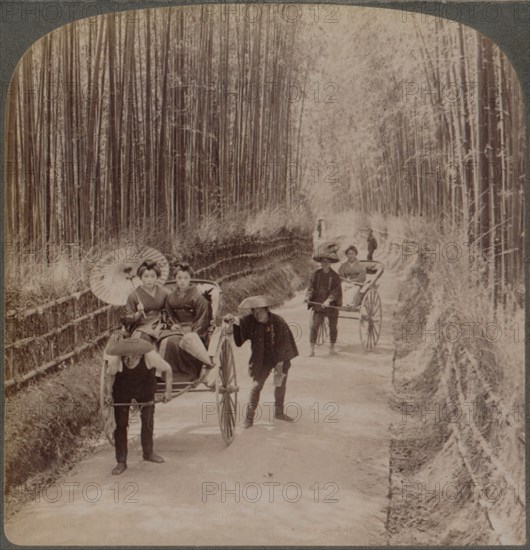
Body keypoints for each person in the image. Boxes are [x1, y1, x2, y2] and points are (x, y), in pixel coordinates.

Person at [224, 296, 299, 429]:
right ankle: (249, 418)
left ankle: (279, 412)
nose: (256, 314)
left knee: (279, 383)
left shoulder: (278, 321)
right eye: (254, 311)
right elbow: (239, 335)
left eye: (259, 311)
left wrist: (280, 365)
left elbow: (285, 344)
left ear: (266, 310)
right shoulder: (250, 321)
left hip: (279, 358)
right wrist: (233, 323)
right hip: (261, 359)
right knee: (256, 386)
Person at [104, 338, 173, 476]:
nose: (130, 359)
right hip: (122, 390)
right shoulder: (116, 360)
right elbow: (110, 376)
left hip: (145, 389)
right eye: (127, 358)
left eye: (134, 356)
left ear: (140, 354)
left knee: (147, 421)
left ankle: (148, 453)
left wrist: (168, 391)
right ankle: (121, 461)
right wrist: (109, 393)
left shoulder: (150, 356)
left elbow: (168, 369)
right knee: (121, 424)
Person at [161, 262, 211, 379]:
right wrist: (172, 325)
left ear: (190, 279)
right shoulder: (170, 297)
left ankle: (188, 374)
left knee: (182, 341)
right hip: (177, 328)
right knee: (166, 341)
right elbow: (169, 314)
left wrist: (195, 333)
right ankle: (168, 375)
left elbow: (202, 317)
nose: (182, 281)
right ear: (175, 279)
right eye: (179, 278)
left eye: (186, 278)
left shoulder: (198, 297)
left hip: (193, 327)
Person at [306, 245, 342, 357]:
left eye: (327, 261)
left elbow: (336, 291)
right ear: (320, 262)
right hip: (318, 304)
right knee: (314, 326)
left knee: (332, 326)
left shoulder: (335, 276)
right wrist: (308, 296)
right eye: (323, 261)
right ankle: (312, 350)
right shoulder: (316, 274)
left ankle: (332, 348)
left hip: (331, 305)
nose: (325, 263)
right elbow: (311, 288)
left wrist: (329, 300)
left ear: (330, 262)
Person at [122, 260, 169, 343]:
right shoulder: (133, 296)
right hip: (142, 327)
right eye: (146, 276)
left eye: (152, 276)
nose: (149, 280)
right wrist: (138, 313)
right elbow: (127, 320)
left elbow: (169, 312)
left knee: (170, 340)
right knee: (145, 339)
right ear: (140, 277)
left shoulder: (164, 293)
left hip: (161, 325)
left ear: (157, 277)